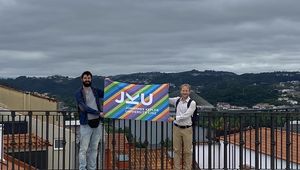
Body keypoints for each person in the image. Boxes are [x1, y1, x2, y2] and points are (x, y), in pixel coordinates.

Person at [75, 71, 104, 170]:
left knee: (94, 149)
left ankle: (92, 168)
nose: (87, 79)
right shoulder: (78, 93)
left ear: (91, 79)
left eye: (89, 78)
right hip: (86, 124)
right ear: (82, 79)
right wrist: (98, 112)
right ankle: (82, 168)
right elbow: (83, 107)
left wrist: (110, 82)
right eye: (85, 78)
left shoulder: (95, 91)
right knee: (83, 149)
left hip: (97, 123)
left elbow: (107, 93)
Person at [169, 84, 196, 170]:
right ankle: (176, 168)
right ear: (180, 91)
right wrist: (158, 92)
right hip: (176, 128)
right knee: (176, 150)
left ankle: (187, 168)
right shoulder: (176, 100)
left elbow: (187, 115)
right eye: (183, 90)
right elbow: (166, 99)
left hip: (187, 129)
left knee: (187, 151)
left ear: (189, 92)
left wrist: (174, 118)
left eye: (186, 91)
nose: (184, 92)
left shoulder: (192, 103)